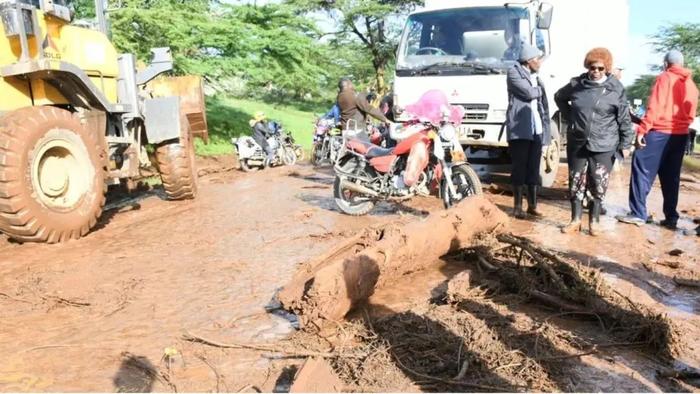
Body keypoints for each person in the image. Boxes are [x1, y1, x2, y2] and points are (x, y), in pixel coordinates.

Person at [554, 47, 634, 236]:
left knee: (598, 184)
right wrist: (571, 118)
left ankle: (594, 222)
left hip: (605, 144)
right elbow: (559, 97)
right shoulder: (576, 84)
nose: (595, 71)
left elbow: (624, 118)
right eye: (592, 67)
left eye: (600, 68)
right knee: (576, 183)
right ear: (587, 67)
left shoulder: (615, 89)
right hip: (578, 143)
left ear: (606, 68)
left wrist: (626, 144)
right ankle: (574, 221)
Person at [617, 50, 699, 229]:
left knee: (642, 169)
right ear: (682, 64)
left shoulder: (665, 78)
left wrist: (642, 130)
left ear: (665, 63)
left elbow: (655, 106)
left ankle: (638, 213)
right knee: (671, 177)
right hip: (681, 135)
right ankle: (671, 217)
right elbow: (692, 113)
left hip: (659, 132)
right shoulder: (691, 85)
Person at [505, 43, 551, 219]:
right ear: (529, 60)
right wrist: (540, 89)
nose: (540, 62)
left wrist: (545, 133)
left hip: (536, 128)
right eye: (538, 59)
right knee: (519, 168)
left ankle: (532, 205)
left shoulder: (535, 76)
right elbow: (529, 93)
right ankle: (517, 207)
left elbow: (543, 105)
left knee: (533, 168)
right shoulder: (514, 72)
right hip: (520, 129)